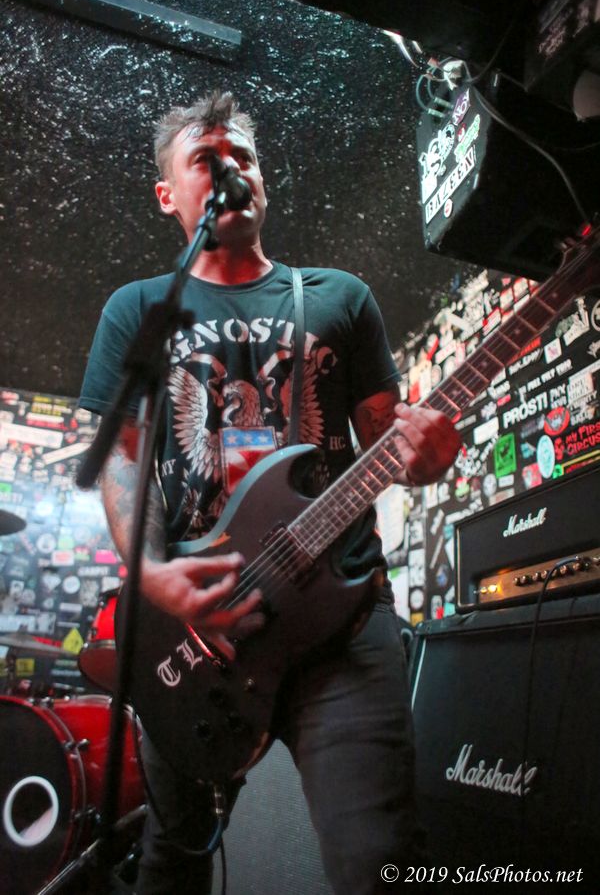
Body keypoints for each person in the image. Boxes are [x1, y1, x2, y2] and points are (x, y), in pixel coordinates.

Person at [79, 91, 460, 895]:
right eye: (206, 160)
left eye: (243, 157)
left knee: (380, 859)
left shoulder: (339, 296)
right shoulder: (137, 311)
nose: (230, 171)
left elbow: (389, 444)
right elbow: (123, 461)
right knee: (172, 861)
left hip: (339, 622)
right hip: (195, 634)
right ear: (168, 194)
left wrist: (426, 457)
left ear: (263, 178)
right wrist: (151, 574)